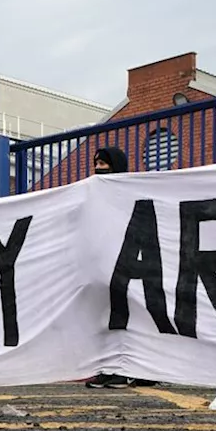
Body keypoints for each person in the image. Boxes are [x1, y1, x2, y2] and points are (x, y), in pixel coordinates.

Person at [85, 147, 156, 390]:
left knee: (129, 318)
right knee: (107, 317)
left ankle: (126, 369)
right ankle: (111, 367)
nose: (99, 167)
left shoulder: (130, 192)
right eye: (97, 163)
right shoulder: (94, 193)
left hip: (131, 263)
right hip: (108, 264)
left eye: (104, 163)